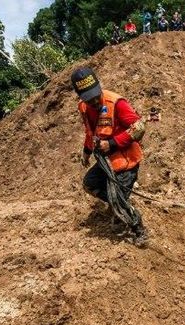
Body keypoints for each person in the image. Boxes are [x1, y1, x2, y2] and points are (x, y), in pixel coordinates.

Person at [71, 67, 149, 247]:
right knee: (89, 184)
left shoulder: (117, 102)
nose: (95, 101)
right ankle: (119, 205)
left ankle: (139, 229)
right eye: (89, 99)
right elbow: (90, 132)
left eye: (96, 96)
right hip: (106, 162)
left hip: (126, 161)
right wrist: (86, 152)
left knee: (117, 199)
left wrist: (112, 143)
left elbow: (139, 127)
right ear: (81, 97)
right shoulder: (83, 107)